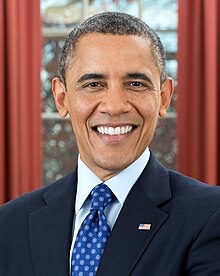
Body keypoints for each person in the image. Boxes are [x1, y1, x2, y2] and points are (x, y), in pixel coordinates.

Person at [0, 11, 220, 276]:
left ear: (163, 97)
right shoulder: (9, 224)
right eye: (94, 84)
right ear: (61, 98)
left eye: (136, 83)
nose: (115, 106)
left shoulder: (210, 216)